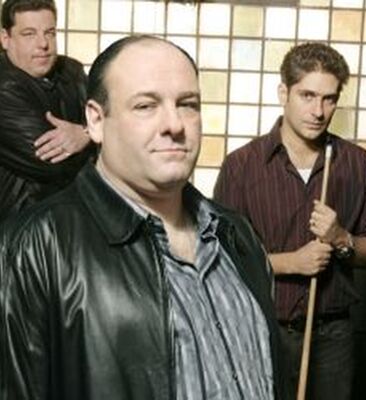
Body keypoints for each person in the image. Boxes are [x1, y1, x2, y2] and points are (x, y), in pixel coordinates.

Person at [0, 35, 287, 400]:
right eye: (146, 106)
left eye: (187, 104)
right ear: (96, 120)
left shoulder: (237, 234)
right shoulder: (34, 246)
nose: (174, 124)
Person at [214, 42, 366, 400]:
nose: (318, 111)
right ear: (284, 93)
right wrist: (290, 262)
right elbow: (220, 256)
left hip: (333, 334)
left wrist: (341, 238)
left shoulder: (356, 163)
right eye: (307, 95)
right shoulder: (242, 165)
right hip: (261, 327)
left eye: (329, 99)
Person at [0, 0, 93, 222]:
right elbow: (53, 166)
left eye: (49, 33)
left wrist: (86, 134)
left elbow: (117, 120)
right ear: (5, 38)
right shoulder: (3, 86)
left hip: (76, 219)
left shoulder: (72, 71)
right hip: (21, 227)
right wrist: (97, 135)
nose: (43, 44)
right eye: (29, 34)